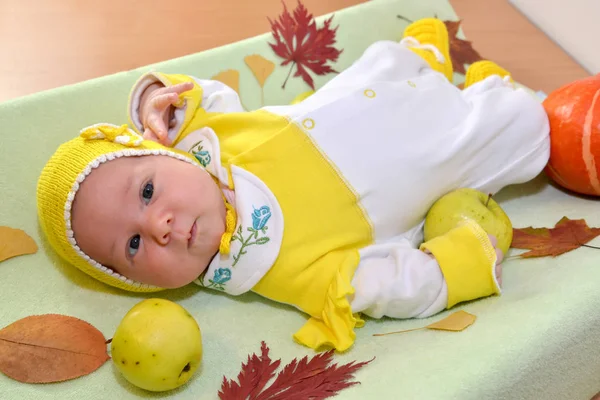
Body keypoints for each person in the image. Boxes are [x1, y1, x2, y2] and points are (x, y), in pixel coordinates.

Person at [36, 18, 550, 352]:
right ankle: (490, 90)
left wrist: (158, 102)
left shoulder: (202, 142)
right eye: (132, 245)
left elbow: (198, 95)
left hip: (355, 101)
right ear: (139, 284)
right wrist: (460, 260)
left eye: (146, 191)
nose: (159, 223)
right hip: (426, 155)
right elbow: (381, 286)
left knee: (382, 63)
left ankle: (423, 59)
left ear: (156, 149)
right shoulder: (277, 270)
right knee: (524, 129)